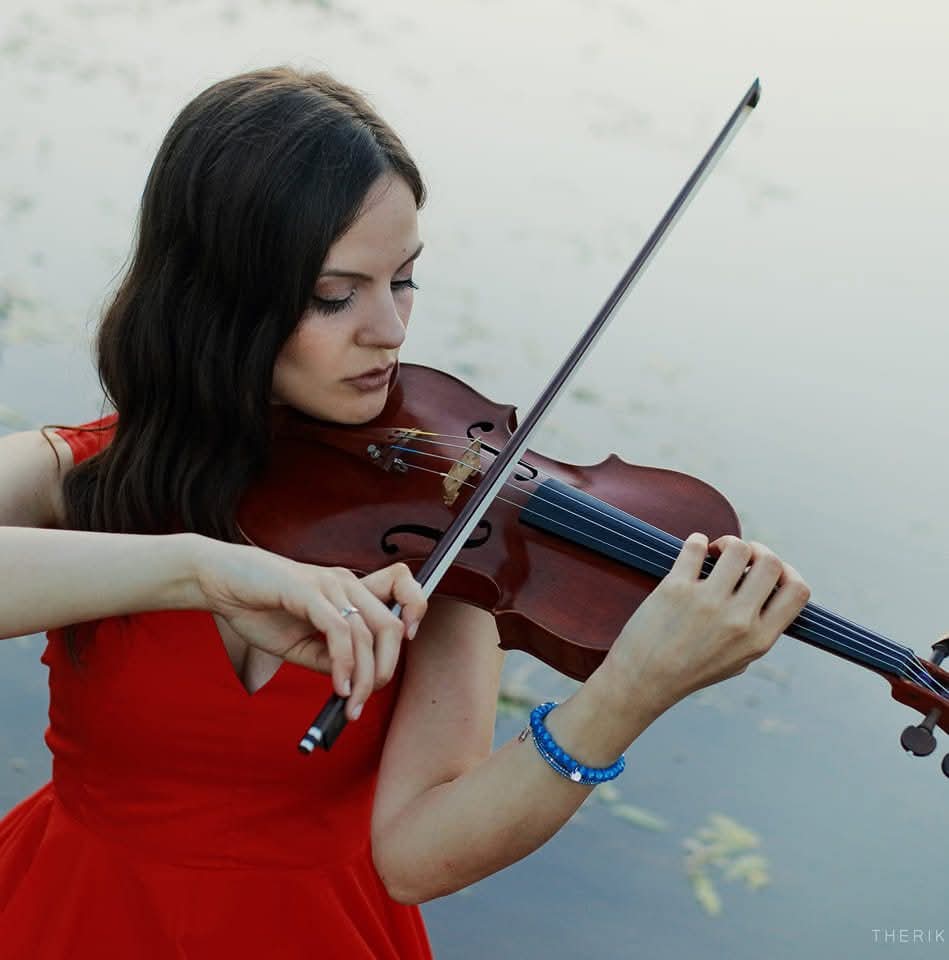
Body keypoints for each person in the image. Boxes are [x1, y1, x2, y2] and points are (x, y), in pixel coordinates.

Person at [0, 66, 811, 958]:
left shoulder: (441, 526)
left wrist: (624, 696)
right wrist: (198, 569)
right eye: (334, 294)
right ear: (216, 297)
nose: (389, 329)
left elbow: (417, 858)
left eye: (405, 279)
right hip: (73, 918)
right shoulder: (94, 473)